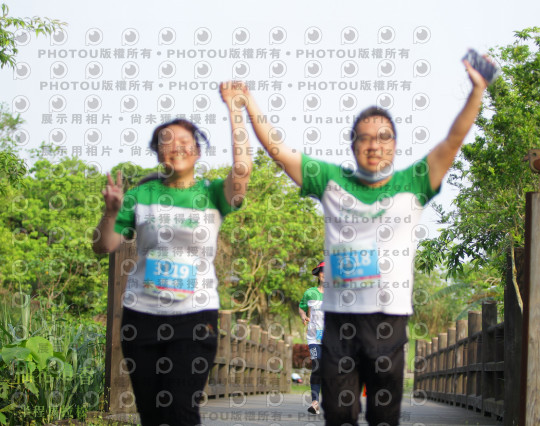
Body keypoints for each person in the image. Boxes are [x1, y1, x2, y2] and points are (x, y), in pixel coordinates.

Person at [239, 56, 489, 426]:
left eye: (383, 137)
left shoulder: (415, 182)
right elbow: (278, 150)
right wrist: (247, 101)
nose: (374, 145)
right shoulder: (330, 180)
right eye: (365, 138)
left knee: (383, 417)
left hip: (389, 322)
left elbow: (453, 140)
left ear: (395, 145)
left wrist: (477, 91)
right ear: (353, 144)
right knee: (339, 414)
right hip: (339, 322)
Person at [92, 82, 252, 426]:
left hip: (195, 316)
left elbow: (242, 170)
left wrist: (234, 108)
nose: (175, 146)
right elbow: (104, 246)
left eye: (184, 141)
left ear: (197, 151)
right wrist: (111, 211)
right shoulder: (140, 195)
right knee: (151, 415)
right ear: (158, 153)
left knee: (180, 410)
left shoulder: (213, 194)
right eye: (166, 142)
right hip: (141, 316)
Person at [298, 261, 325, 415]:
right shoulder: (310, 293)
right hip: (314, 338)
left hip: (332, 338)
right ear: (318, 274)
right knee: (317, 366)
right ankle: (315, 402)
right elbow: (302, 308)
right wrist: (303, 316)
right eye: (322, 271)